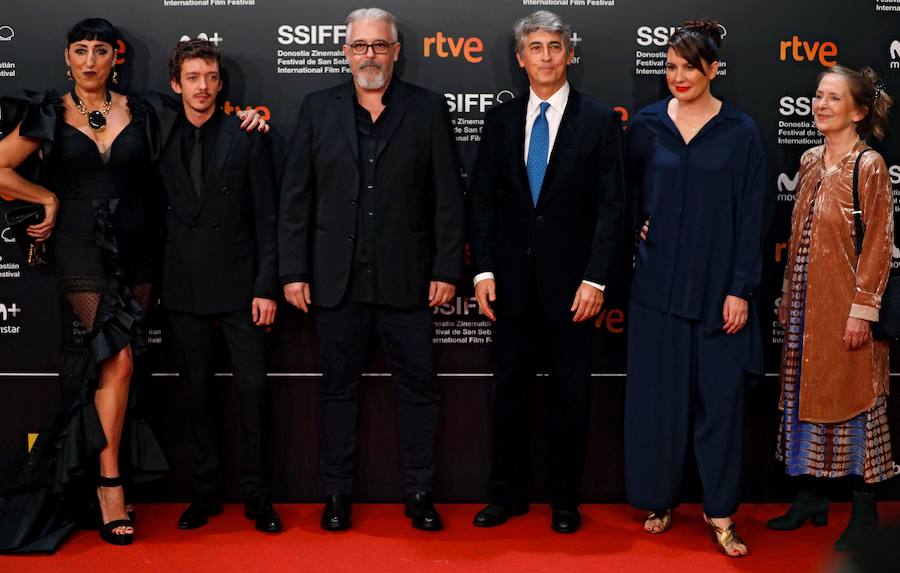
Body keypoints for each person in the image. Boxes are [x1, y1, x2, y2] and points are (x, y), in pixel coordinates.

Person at [279, 7, 464, 532]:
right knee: (337, 391)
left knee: (420, 389)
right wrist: (293, 271)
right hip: (335, 282)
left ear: (396, 51)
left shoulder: (428, 109)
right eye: (360, 46)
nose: (370, 55)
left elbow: (449, 199)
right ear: (345, 53)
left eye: (379, 46)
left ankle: (420, 493)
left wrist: (447, 268)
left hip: (410, 281)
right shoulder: (316, 109)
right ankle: (336, 495)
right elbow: (296, 198)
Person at [0, 18, 168, 550]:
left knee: (119, 363)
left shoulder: (144, 110)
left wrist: (250, 120)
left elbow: (197, 135)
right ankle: (110, 486)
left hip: (138, 245)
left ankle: (102, 471)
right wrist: (44, 198)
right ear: (67, 58)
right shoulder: (47, 112)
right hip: (76, 246)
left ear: (115, 57)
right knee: (115, 355)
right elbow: (1, 169)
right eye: (81, 50)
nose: (91, 59)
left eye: (100, 50)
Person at [469, 10, 625, 534]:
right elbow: (483, 202)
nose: (545, 57)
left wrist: (596, 279)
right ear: (519, 58)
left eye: (554, 46)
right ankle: (506, 495)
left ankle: (564, 500)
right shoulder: (500, 120)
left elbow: (612, 208)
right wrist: (483, 269)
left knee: (570, 399)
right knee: (506, 395)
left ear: (570, 54)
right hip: (509, 286)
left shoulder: (601, 121)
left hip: (574, 289)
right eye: (534, 47)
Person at [623, 21, 764, 557]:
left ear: (713, 70)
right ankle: (659, 499)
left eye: (689, 67)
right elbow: (624, 192)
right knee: (658, 403)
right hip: (656, 288)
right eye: (671, 67)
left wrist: (740, 290)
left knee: (720, 406)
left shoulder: (740, 131)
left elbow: (753, 216)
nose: (678, 77)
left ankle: (721, 512)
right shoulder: (646, 125)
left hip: (718, 292)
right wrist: (640, 223)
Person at [151, 38, 281, 533]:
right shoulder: (159, 134)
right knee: (197, 397)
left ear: (220, 82)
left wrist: (266, 286)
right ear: (175, 84)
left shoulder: (247, 135)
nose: (202, 87)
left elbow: (268, 218)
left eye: (210, 77)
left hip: (242, 290)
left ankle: (258, 496)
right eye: (192, 78)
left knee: (254, 394)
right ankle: (204, 493)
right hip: (183, 290)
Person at [767, 65, 895, 553]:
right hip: (805, 303)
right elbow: (798, 236)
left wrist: (862, 310)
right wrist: (786, 296)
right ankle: (810, 497)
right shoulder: (810, 160)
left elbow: (880, 243)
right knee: (804, 395)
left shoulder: (870, 165)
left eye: (833, 99)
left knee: (855, 398)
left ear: (858, 112)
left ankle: (865, 507)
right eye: (818, 96)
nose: (820, 105)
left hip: (846, 306)